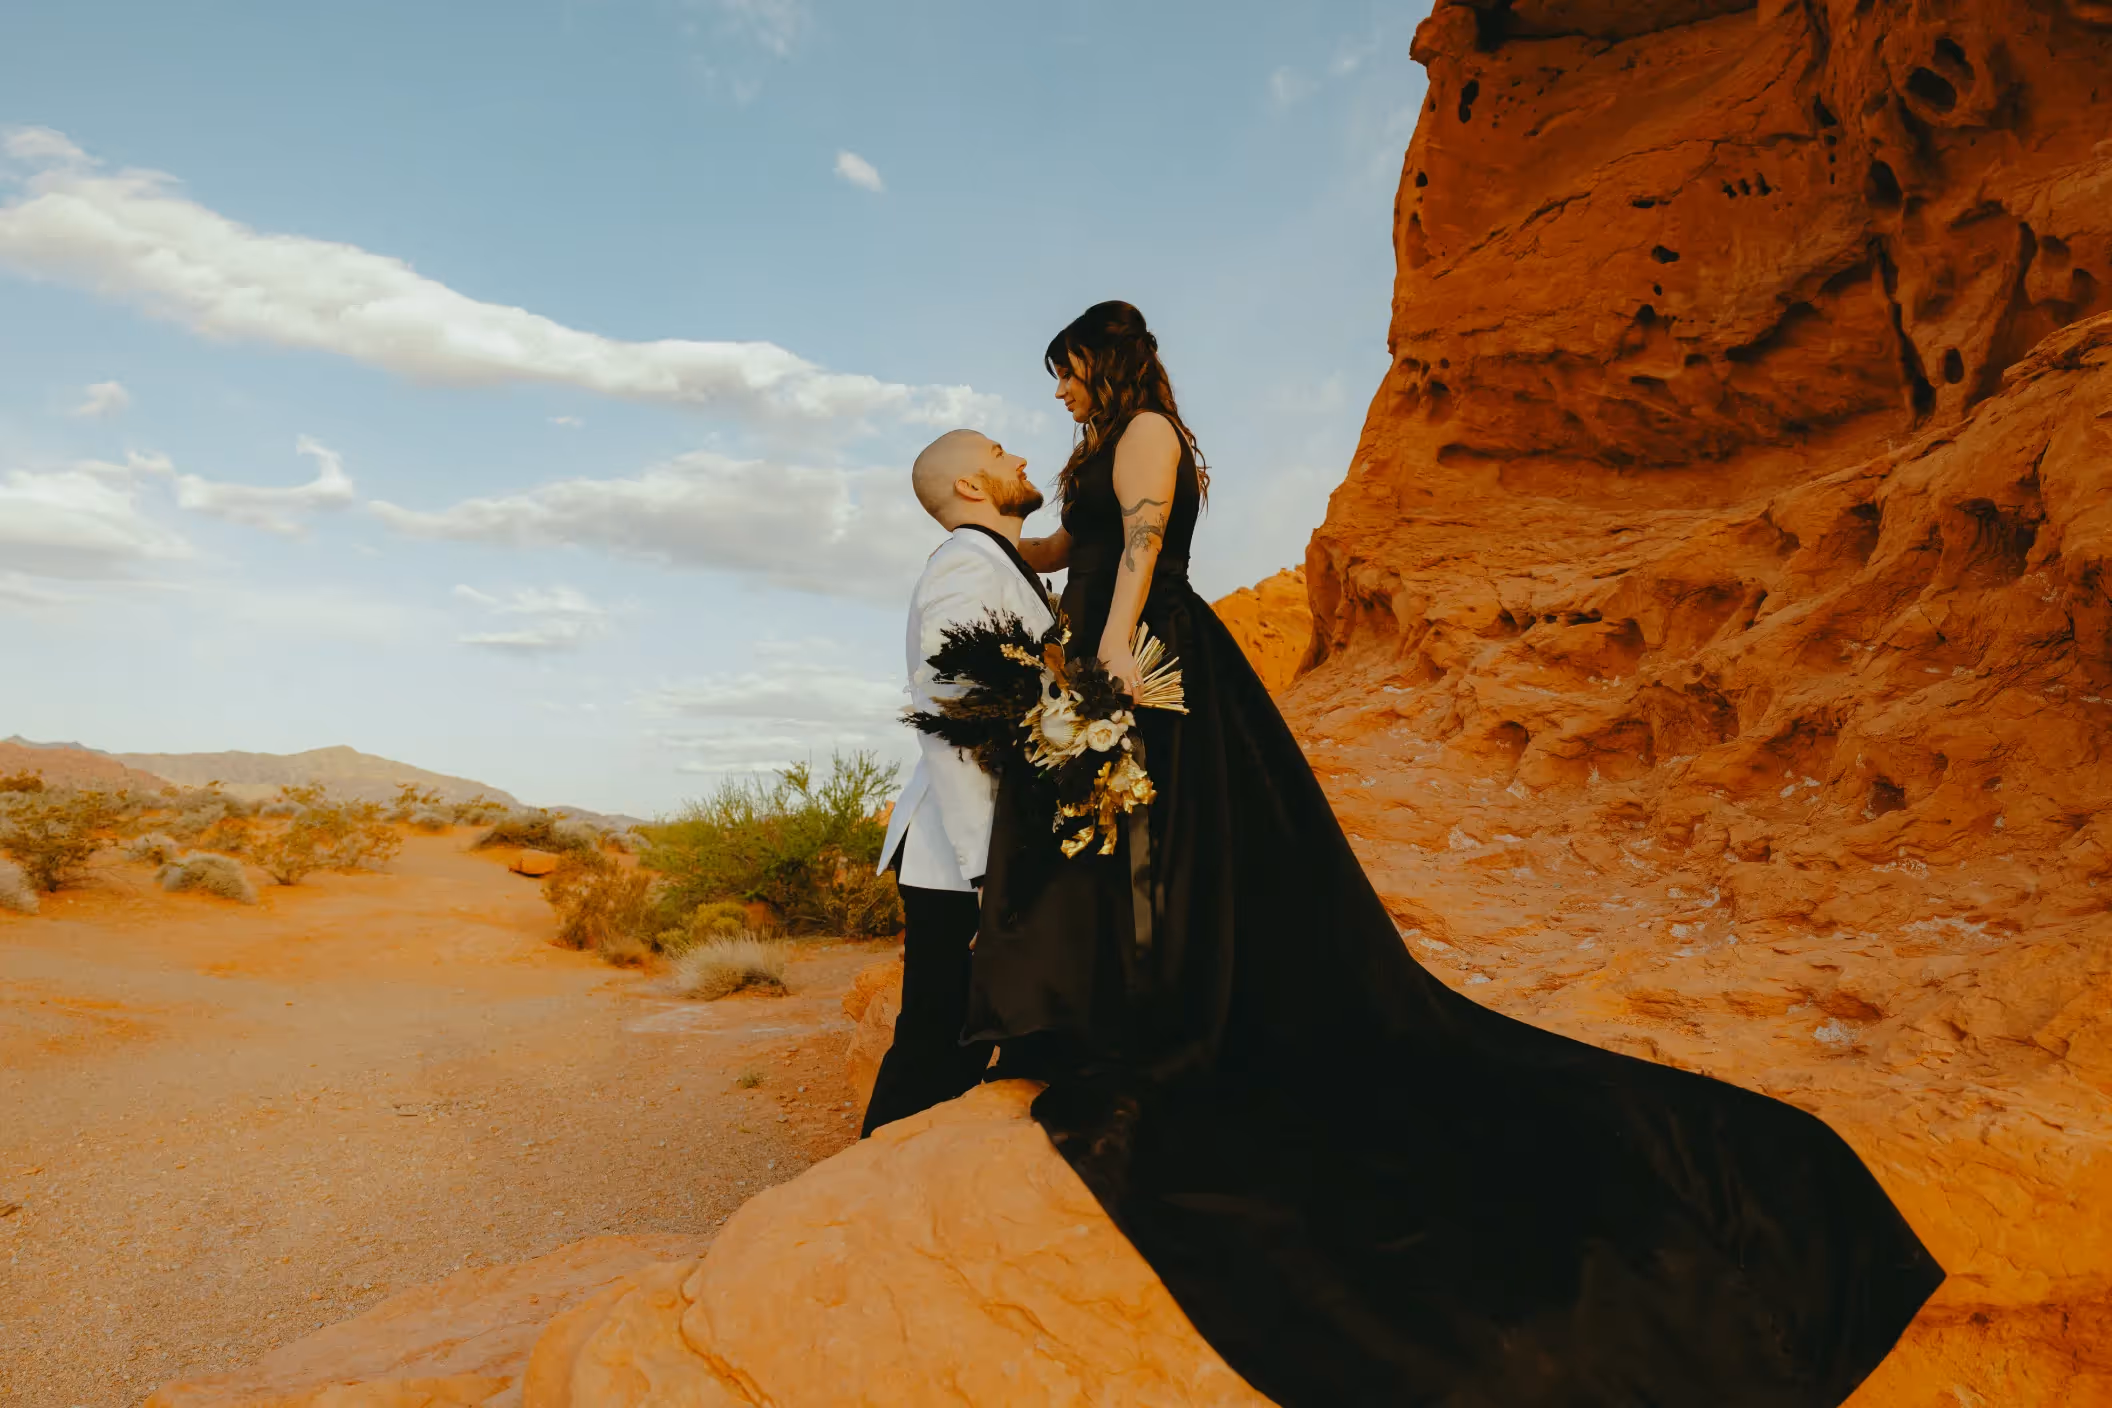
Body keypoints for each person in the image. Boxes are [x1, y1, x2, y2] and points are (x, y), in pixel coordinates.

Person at [966, 301, 1944, 1407]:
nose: (1057, 391)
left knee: (1166, 845)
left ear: (1105, 359)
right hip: (1104, 656)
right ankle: (1112, 1009)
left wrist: (1102, 675)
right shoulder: (1090, 450)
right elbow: (1062, 547)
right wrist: (975, 530)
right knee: (1116, 841)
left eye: (1065, 371)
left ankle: (1162, 1015)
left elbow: (1138, 555)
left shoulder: (1145, 430)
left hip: (1148, 663)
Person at [861, 429, 1055, 1137]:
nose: (1022, 460)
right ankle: (865, 1212)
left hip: (986, 845)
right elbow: (953, 712)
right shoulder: (965, 569)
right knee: (937, 1050)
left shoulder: (995, 562)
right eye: (1003, 454)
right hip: (962, 854)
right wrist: (987, 868)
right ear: (972, 487)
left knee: (964, 1040)